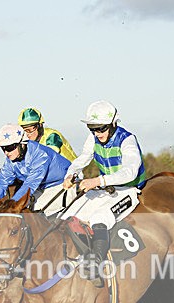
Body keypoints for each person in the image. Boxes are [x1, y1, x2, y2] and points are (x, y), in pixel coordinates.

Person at [62, 100, 147, 272]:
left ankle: (96, 263)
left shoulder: (127, 140)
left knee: (99, 218)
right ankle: (77, 256)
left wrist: (97, 181)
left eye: (101, 128)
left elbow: (129, 172)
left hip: (128, 190)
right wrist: (72, 174)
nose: (97, 133)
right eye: (92, 128)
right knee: (69, 213)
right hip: (105, 189)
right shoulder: (92, 138)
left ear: (113, 124)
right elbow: (82, 159)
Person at [0, 124, 75, 215]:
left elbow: (30, 184)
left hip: (62, 184)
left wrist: (12, 204)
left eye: (9, 148)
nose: (6, 153)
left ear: (22, 144)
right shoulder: (10, 161)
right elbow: (2, 184)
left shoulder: (40, 155)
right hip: (41, 187)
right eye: (3, 148)